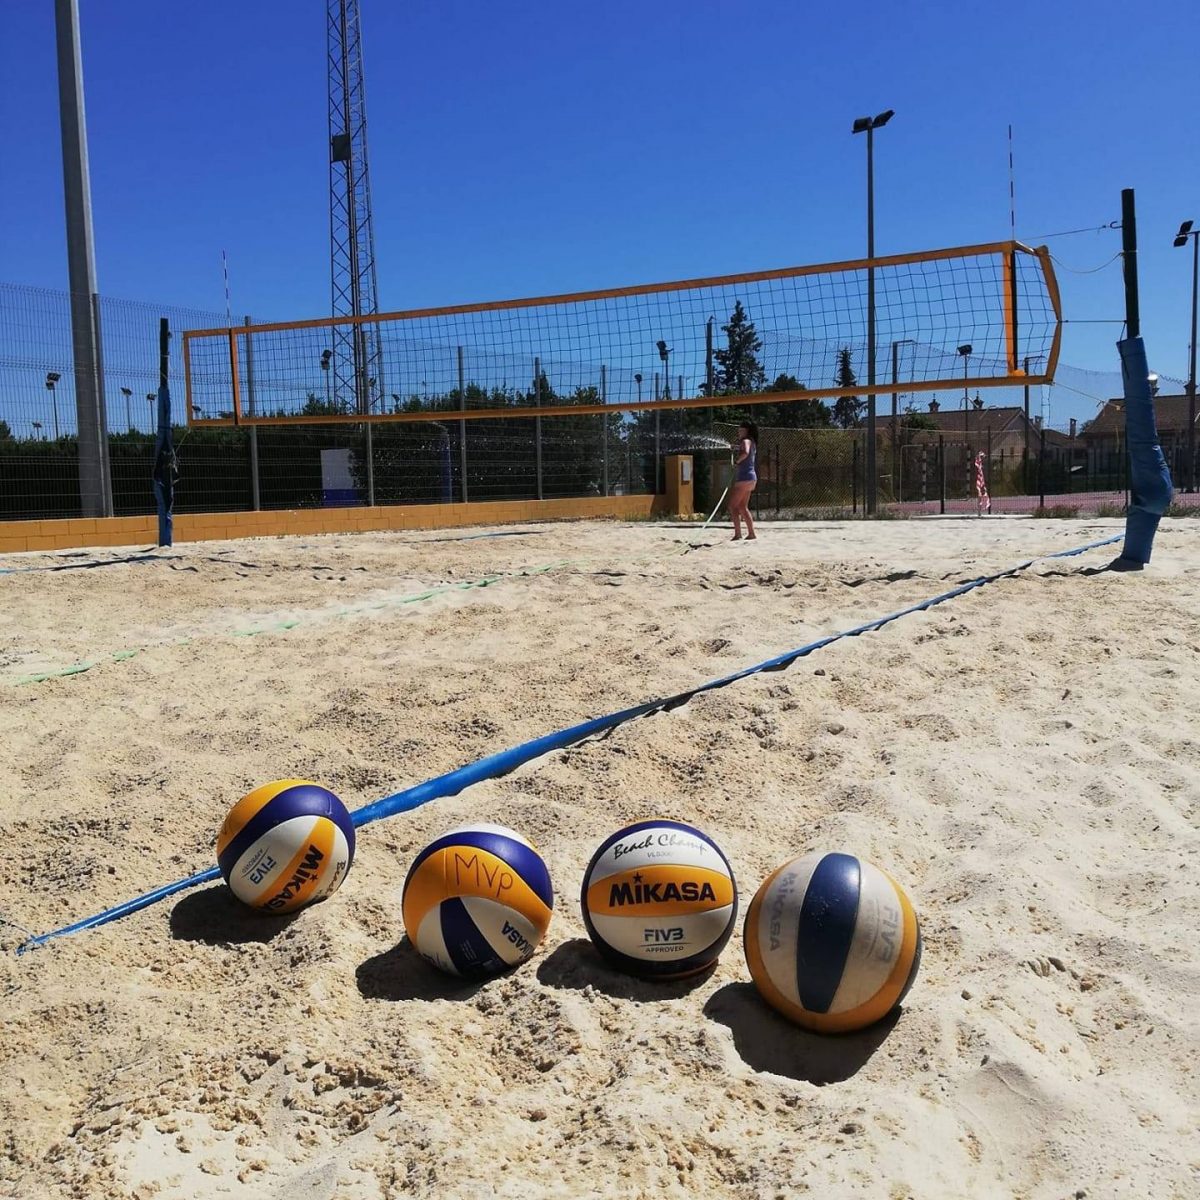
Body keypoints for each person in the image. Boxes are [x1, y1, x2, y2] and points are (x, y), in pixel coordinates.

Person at [729, 422, 758, 540]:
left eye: (741, 431)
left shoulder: (746, 441)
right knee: (742, 506)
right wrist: (735, 447)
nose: (739, 432)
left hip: (744, 478)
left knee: (732, 506)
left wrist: (737, 461)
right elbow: (745, 450)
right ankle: (751, 533)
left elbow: (745, 452)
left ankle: (738, 534)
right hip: (751, 478)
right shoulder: (751, 442)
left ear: (747, 431)